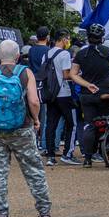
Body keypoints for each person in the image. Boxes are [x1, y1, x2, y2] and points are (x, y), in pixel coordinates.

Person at [0, 38, 51, 217]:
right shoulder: (25, 73)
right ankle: (44, 212)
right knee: (34, 170)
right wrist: (36, 120)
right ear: (18, 56)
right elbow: (34, 101)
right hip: (22, 128)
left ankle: (2, 214)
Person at [71, 23, 109, 167]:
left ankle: (87, 158)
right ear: (102, 38)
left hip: (87, 94)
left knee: (89, 125)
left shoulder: (81, 54)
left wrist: (86, 84)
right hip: (106, 92)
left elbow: (73, 75)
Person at [41, 30, 79, 166]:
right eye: (67, 39)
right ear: (63, 39)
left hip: (50, 94)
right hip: (64, 93)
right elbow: (66, 75)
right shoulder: (64, 54)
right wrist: (77, 73)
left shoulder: (46, 54)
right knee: (72, 123)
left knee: (51, 124)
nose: (68, 41)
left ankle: (50, 156)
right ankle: (67, 153)